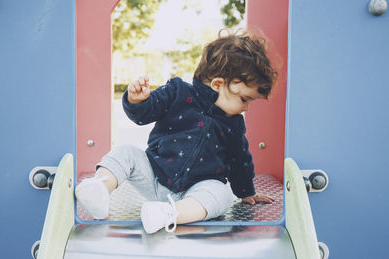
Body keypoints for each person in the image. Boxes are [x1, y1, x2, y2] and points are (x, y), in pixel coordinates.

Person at [75, 30, 277, 234]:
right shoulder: (178, 92)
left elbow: (239, 159)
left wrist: (246, 192)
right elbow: (145, 113)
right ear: (217, 85)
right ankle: (99, 187)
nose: (246, 108)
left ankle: (166, 214)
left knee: (221, 194)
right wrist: (136, 100)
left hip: (194, 193)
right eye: (244, 99)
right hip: (154, 174)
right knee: (126, 152)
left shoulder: (234, 124)